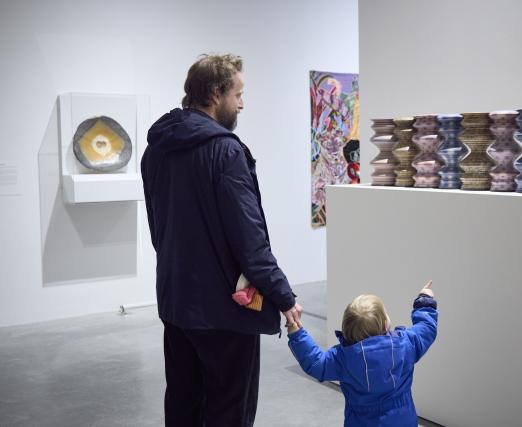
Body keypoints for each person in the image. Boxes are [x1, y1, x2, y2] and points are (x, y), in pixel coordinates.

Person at [141, 53, 302, 427]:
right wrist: (282, 294)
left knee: (183, 403)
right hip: (224, 312)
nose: (243, 103)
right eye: (239, 93)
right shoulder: (226, 150)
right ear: (216, 94)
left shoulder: (155, 151)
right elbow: (249, 237)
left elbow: (157, 230)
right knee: (229, 408)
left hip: (176, 301)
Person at [287, 281, 438, 427]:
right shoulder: (406, 345)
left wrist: (297, 334)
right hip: (403, 420)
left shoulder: (343, 358)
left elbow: (316, 363)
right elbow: (426, 328)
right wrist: (424, 300)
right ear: (386, 324)